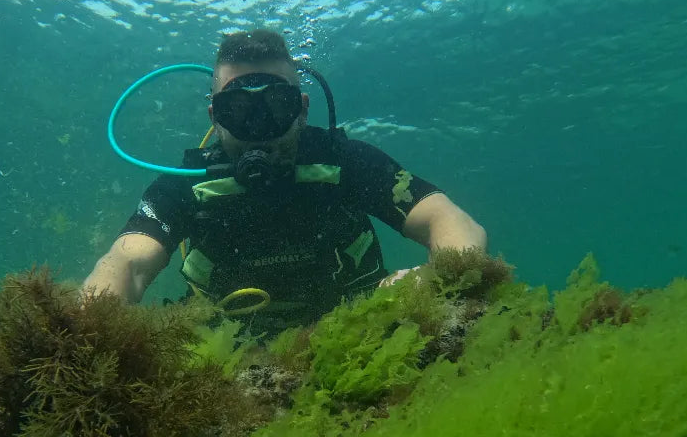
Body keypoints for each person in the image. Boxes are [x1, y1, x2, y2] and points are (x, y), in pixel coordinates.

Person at [83, 29, 486, 335]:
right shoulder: (182, 187)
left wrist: (434, 280)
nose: (259, 130)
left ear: (302, 109)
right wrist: (89, 333)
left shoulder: (348, 162)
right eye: (239, 110)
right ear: (214, 117)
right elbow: (127, 263)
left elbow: (448, 221)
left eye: (277, 105)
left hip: (358, 334)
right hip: (226, 353)